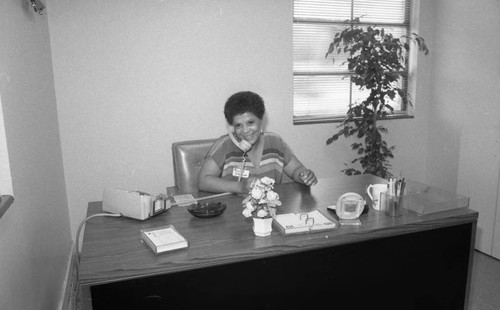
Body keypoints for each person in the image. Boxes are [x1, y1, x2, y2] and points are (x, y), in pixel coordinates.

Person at [198, 91, 318, 194]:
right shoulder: (225, 144)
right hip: (234, 213)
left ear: (261, 121)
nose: (245, 131)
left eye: (251, 123)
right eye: (238, 125)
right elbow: (203, 181)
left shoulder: (275, 142)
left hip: (268, 210)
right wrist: (240, 187)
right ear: (232, 128)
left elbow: (296, 169)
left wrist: (303, 176)